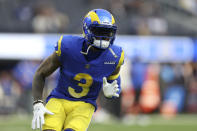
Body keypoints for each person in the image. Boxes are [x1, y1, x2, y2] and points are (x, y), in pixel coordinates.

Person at [31, 9, 124, 131]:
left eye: (108, 32)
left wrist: (110, 95)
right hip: (59, 99)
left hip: (85, 104)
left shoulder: (115, 55)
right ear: (87, 29)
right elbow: (40, 73)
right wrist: (38, 102)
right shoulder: (68, 46)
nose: (104, 36)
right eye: (99, 31)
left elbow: (114, 84)